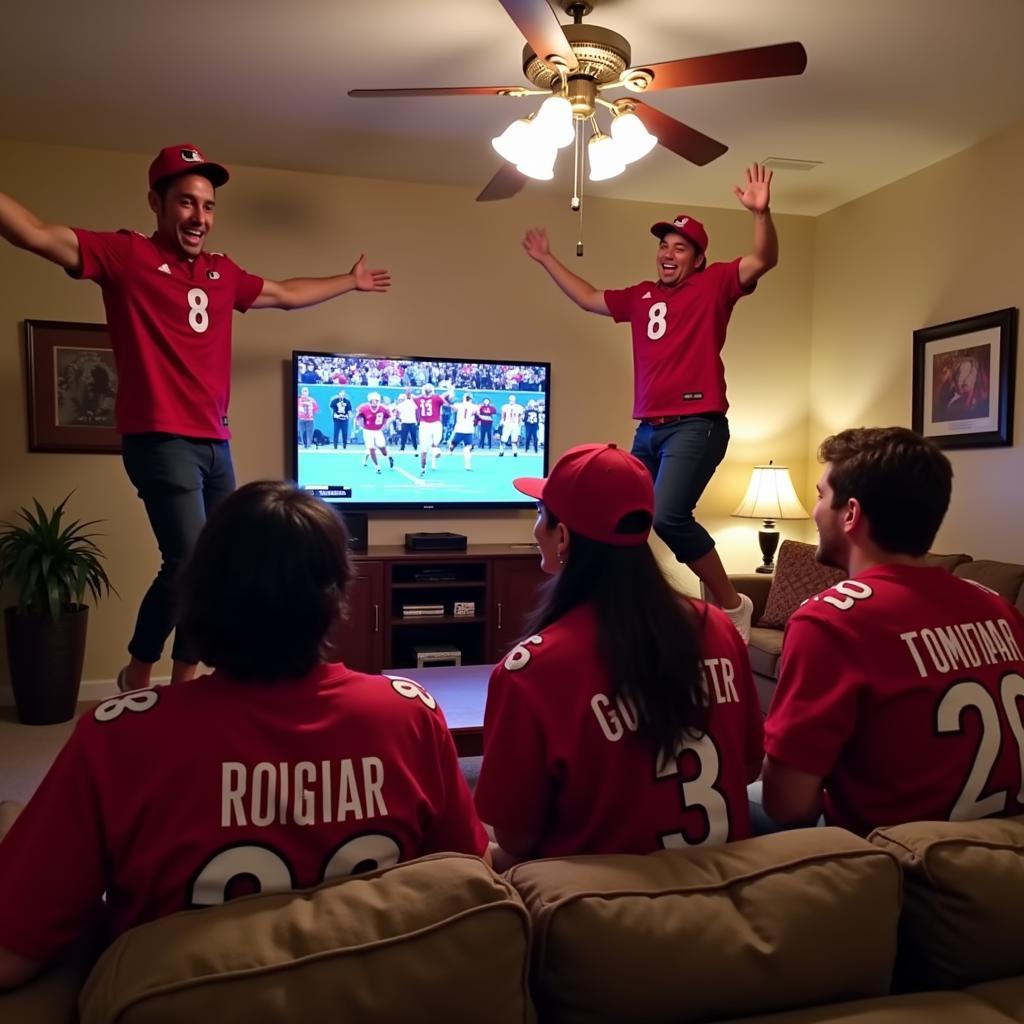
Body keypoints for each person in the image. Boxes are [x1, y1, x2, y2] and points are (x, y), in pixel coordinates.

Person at [0, 481, 488, 990]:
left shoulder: (118, 736)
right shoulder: (409, 715)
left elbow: (12, 951)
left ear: (199, 591)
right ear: (336, 593)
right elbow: (469, 878)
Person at [0, 144, 391, 692]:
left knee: (219, 565)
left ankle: (184, 679)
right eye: (186, 203)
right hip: (160, 438)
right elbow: (35, 233)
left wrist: (348, 282)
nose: (199, 217)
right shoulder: (125, 255)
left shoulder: (220, 272)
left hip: (215, 442)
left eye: (207, 207)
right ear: (156, 204)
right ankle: (138, 671)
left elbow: (283, 293)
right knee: (186, 560)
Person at [521, 164, 780, 641]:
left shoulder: (715, 284)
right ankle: (621, 604)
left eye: (680, 247)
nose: (668, 253)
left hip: (696, 423)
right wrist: (546, 259)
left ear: (698, 259)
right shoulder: (641, 296)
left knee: (667, 516)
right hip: (649, 427)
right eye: (664, 245)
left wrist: (761, 214)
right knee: (621, 517)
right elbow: (587, 297)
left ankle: (732, 604)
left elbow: (763, 258)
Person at [473, 444, 763, 867]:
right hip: (726, 880)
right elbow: (751, 767)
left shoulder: (532, 668)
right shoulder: (717, 628)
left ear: (564, 536)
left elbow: (517, 835)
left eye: (540, 514)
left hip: (603, 909)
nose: (537, 527)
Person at [761, 427, 1024, 835]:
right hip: (999, 849)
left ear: (850, 513)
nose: (814, 512)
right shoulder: (999, 607)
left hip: (894, 862)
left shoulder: (829, 622)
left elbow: (787, 805)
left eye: (819, 495)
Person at [415, 382, 450, 477]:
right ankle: (425, 464)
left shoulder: (418, 399)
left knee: (426, 448)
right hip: (433, 424)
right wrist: (448, 394)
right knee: (430, 447)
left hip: (426, 424)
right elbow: (447, 403)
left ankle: (423, 468)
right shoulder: (436, 398)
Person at [356, 392, 393, 473]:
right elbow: (358, 417)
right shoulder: (364, 408)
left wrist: (386, 423)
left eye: (376, 401)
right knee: (371, 449)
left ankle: (388, 456)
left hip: (378, 431)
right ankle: (377, 466)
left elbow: (390, 416)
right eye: (372, 401)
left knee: (382, 448)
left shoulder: (383, 408)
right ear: (369, 401)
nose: (374, 402)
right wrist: (360, 424)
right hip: (368, 431)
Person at [448, 392, 479, 470]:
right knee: (467, 447)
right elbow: (477, 413)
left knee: (456, 444)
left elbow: (452, 408)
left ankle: (451, 450)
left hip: (461, 428)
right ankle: (467, 465)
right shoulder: (475, 406)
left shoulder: (458, 405)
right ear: (471, 399)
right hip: (467, 429)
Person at [396, 387, 419, 451]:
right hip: (404, 421)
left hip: (412, 421)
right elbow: (398, 410)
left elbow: (417, 410)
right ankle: (402, 448)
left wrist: (418, 420)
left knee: (414, 436)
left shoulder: (414, 401)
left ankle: (415, 449)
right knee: (404, 436)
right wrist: (398, 419)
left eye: (409, 391)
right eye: (407, 391)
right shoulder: (402, 399)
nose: (408, 392)